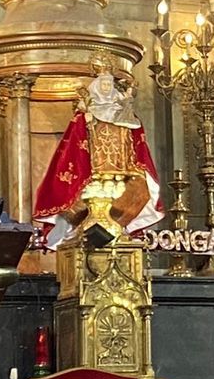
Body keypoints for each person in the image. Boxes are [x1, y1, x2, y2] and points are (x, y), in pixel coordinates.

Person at [33, 65, 162, 245]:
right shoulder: (86, 115)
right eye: (104, 84)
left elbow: (135, 140)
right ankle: (81, 233)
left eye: (109, 84)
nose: (107, 88)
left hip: (121, 170)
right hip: (94, 171)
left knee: (137, 193)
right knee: (82, 205)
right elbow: (75, 145)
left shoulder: (124, 114)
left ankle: (117, 230)